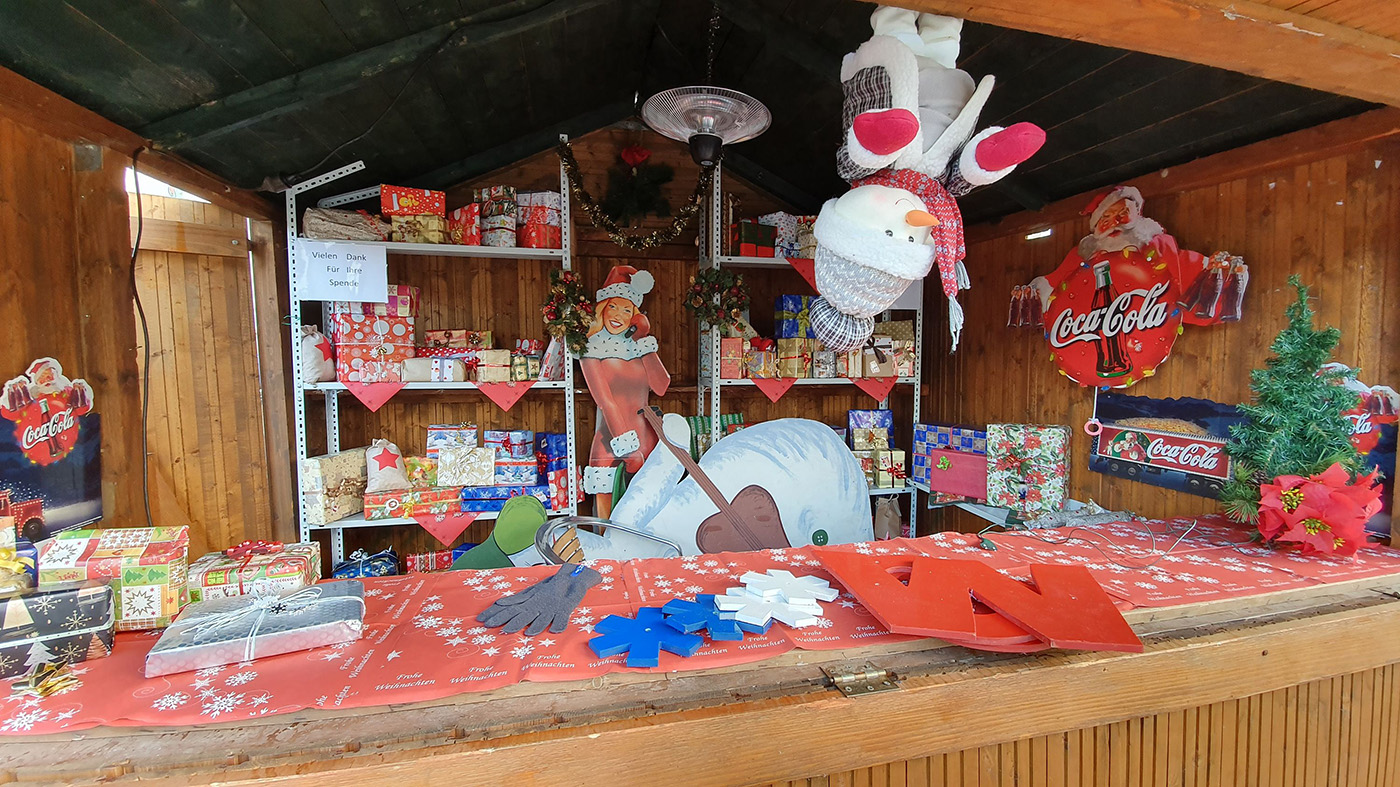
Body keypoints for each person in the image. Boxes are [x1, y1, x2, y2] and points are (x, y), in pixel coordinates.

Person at [578, 266, 670, 517]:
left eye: (627, 309)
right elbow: (605, 401)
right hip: (611, 441)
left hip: (647, 438)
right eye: (613, 307)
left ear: (635, 316)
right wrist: (626, 446)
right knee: (605, 521)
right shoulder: (591, 349)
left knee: (646, 515)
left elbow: (661, 386)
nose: (618, 315)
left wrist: (643, 341)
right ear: (603, 309)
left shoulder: (640, 346)